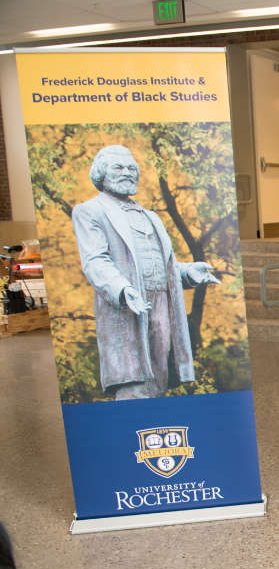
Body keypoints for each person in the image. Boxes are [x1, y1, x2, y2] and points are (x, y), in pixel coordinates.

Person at [72, 145, 220, 401]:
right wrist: (122, 289)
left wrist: (189, 272)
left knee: (158, 380)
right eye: (118, 167)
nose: (128, 172)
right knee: (133, 383)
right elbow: (95, 261)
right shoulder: (90, 211)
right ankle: (129, 433)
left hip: (162, 304)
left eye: (132, 168)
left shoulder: (151, 216)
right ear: (101, 174)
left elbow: (165, 267)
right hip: (126, 306)